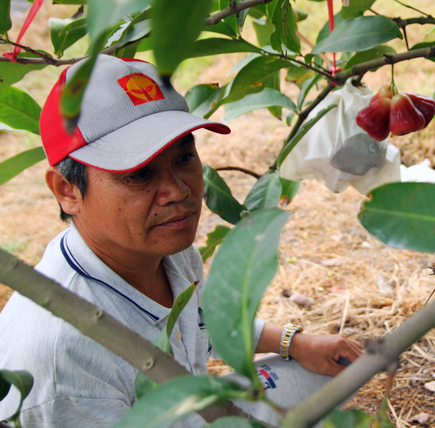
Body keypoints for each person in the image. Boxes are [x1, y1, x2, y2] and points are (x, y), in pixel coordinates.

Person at [0, 55, 362, 427]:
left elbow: (206, 323)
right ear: (68, 190)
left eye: (184, 156)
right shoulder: (64, 354)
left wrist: (295, 342)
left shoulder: (164, 248)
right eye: (139, 174)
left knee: (336, 378)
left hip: (190, 409)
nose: (177, 191)